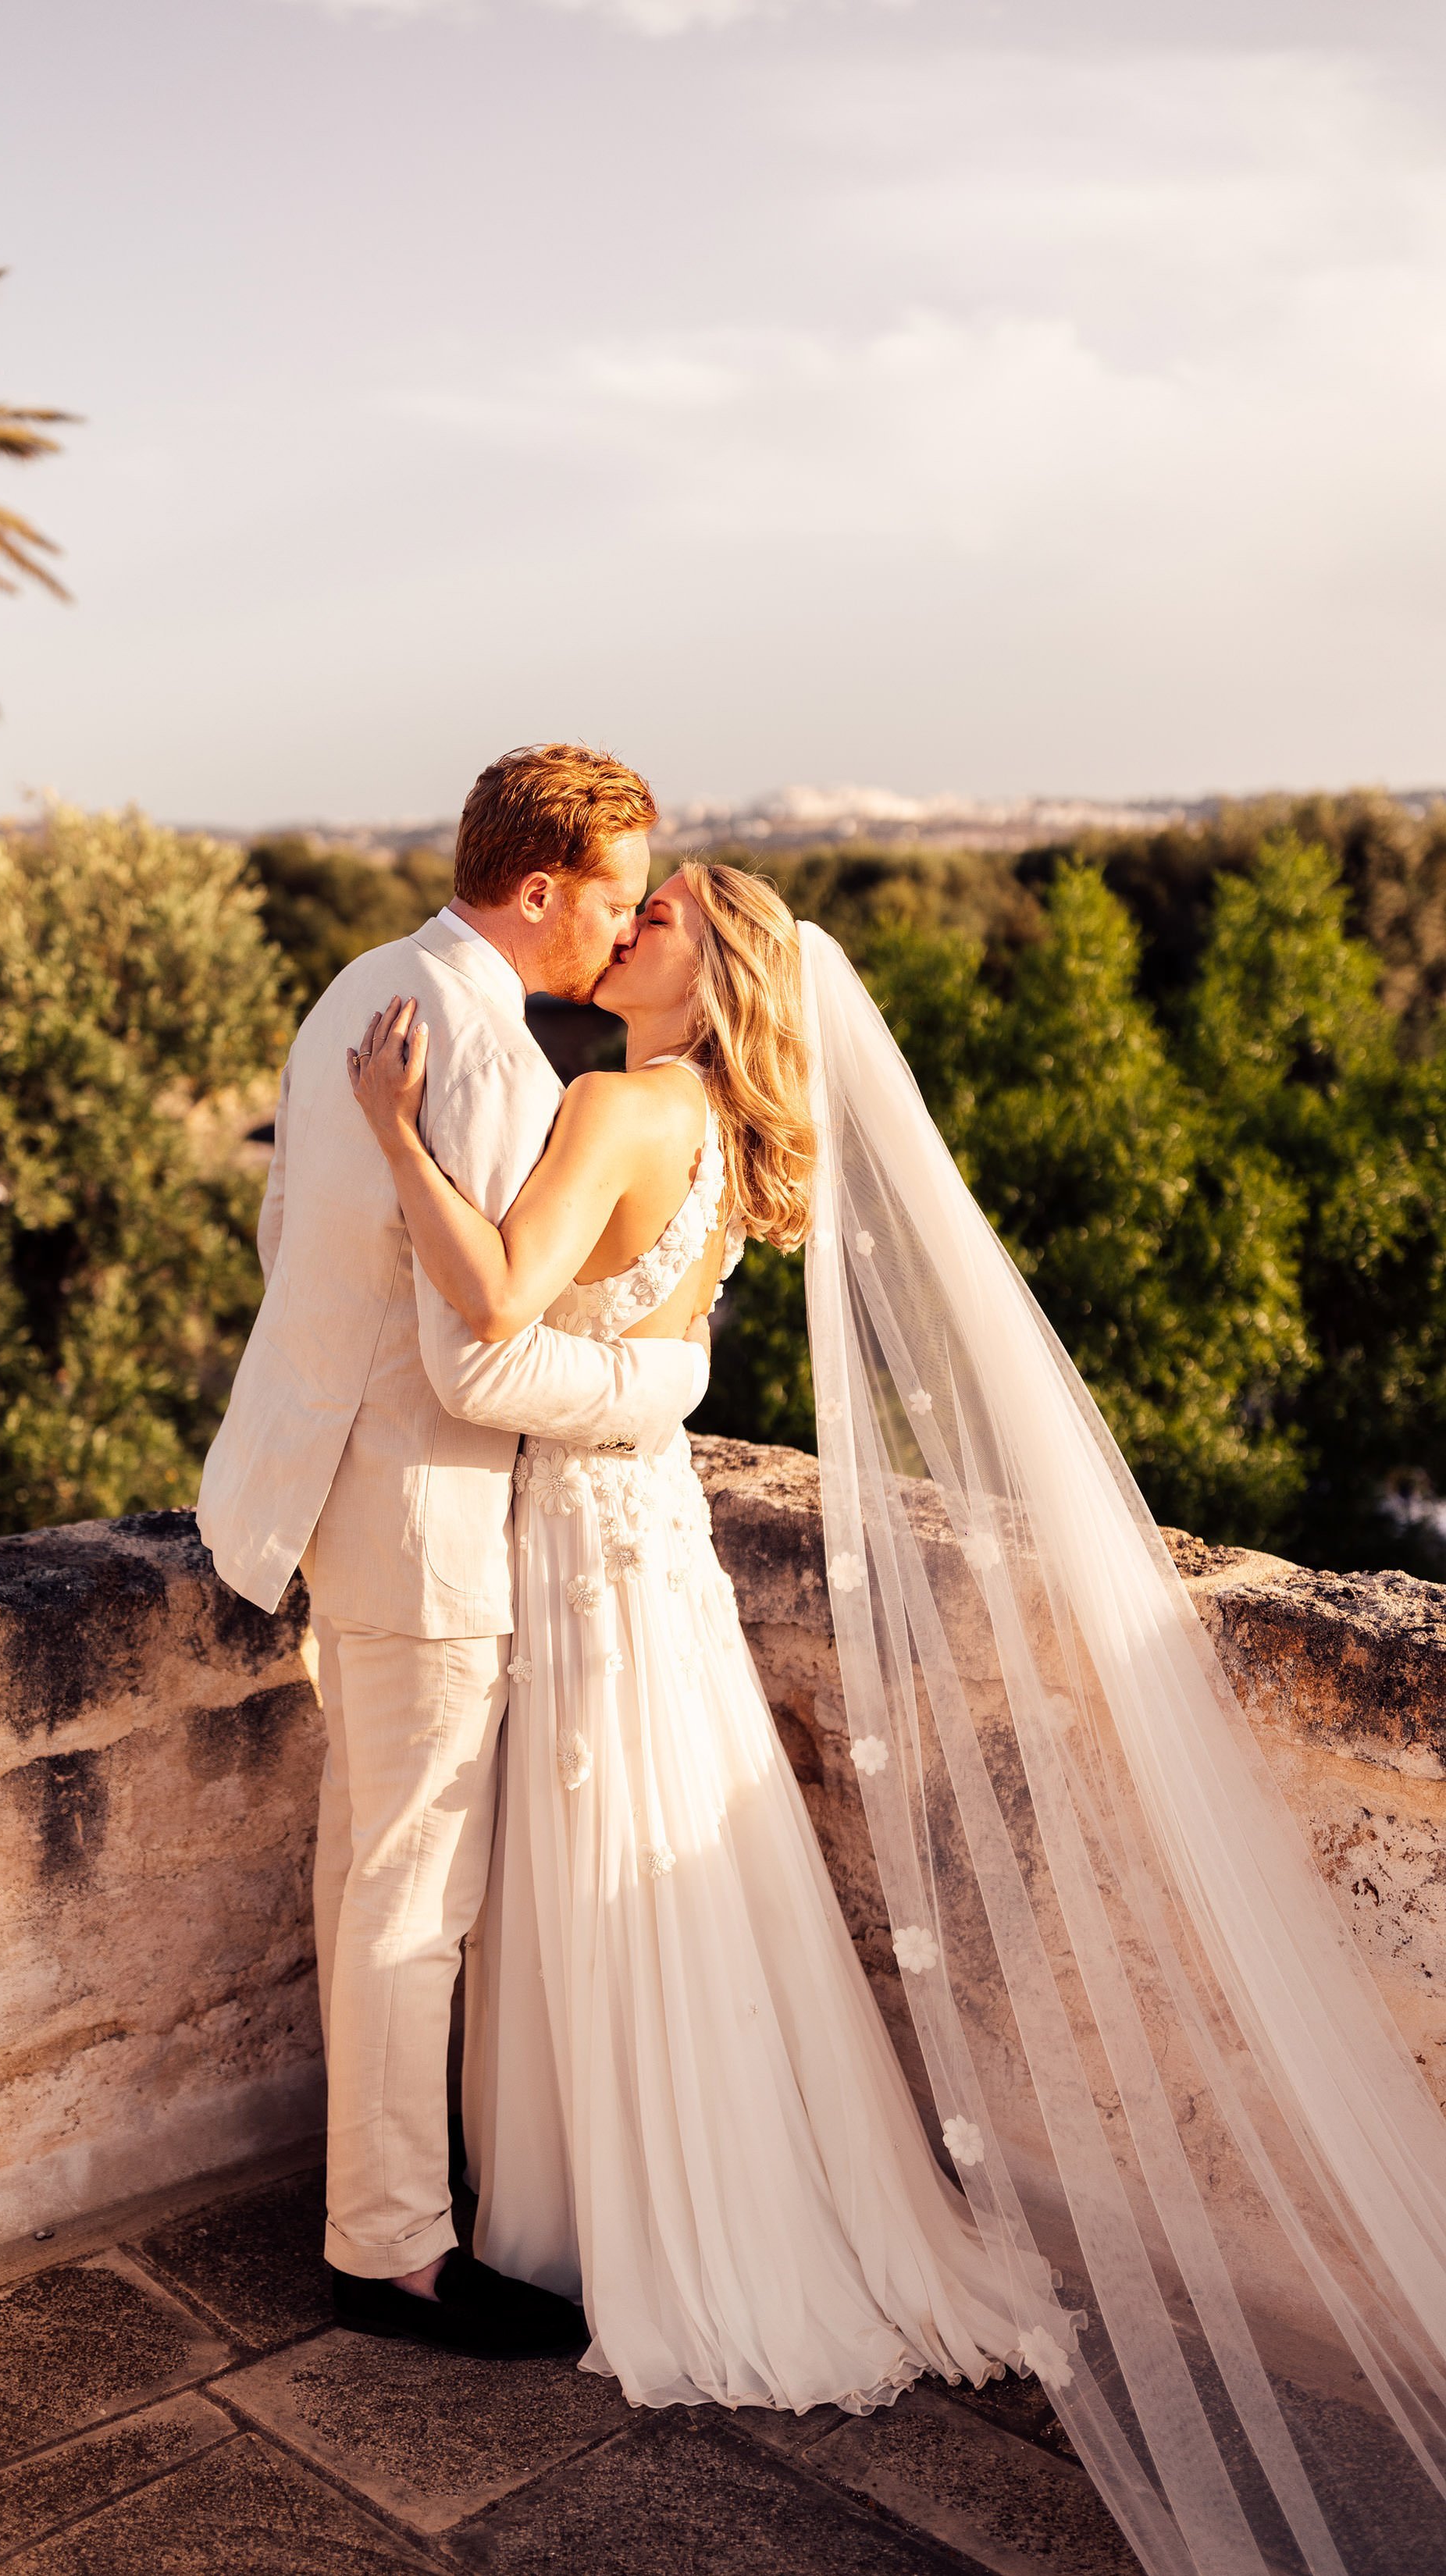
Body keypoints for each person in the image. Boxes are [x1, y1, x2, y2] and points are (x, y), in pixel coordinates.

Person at [351, 859, 1446, 2574]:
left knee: (591, 1849)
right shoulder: (711, 1135)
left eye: (662, 921)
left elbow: (490, 1315)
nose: (628, 926)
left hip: (581, 1542)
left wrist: (396, 1135)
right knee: (653, 1853)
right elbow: (653, 1341)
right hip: (658, 1546)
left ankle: (617, 2223)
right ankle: (661, 2198)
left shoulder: (618, 1107)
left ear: (714, 976)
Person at [197, 745, 712, 2361]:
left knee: (369, 1869)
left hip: (329, 1497)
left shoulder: (362, 978)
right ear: (541, 887)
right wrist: (656, 1387)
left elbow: (293, 1246)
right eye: (612, 897)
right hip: (421, 1523)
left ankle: (380, 2210)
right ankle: (394, 2256)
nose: (620, 930)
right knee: (409, 1893)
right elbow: (470, 1361)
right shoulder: (485, 1057)